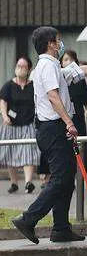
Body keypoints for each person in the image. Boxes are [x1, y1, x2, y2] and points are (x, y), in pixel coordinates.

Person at [10, 27, 87, 244]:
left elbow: (80, 71)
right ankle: (28, 219)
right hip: (53, 128)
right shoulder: (47, 66)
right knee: (61, 178)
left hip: (53, 128)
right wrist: (69, 122)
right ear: (51, 44)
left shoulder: (53, 66)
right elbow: (53, 96)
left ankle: (61, 228)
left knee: (67, 179)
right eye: (58, 40)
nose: (60, 44)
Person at [0, 55, 38, 194]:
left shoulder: (33, 85)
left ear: (28, 69)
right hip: (11, 125)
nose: (20, 69)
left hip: (28, 124)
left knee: (28, 152)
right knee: (11, 153)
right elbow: (3, 102)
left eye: (23, 67)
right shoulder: (8, 85)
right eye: (18, 66)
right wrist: (4, 116)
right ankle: (14, 183)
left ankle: (28, 182)